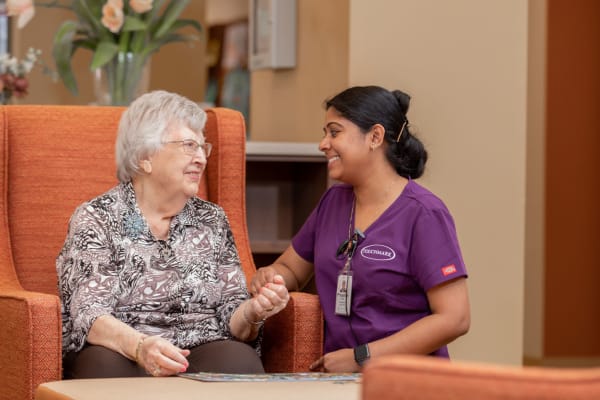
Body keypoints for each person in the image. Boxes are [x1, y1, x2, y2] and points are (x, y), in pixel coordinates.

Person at [57, 90, 289, 379]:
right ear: (145, 157)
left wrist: (254, 311)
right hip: (124, 349)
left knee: (239, 361)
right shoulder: (97, 217)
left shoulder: (211, 219)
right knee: (103, 368)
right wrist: (141, 347)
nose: (201, 158)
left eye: (203, 147)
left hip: (198, 345)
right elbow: (89, 315)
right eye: (189, 145)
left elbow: (233, 317)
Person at [250, 85, 470, 372]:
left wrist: (362, 357)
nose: (323, 144)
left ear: (375, 137)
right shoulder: (333, 202)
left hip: (405, 379)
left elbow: (455, 318)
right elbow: (292, 270)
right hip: (337, 380)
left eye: (334, 132)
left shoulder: (424, 213)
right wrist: (271, 276)